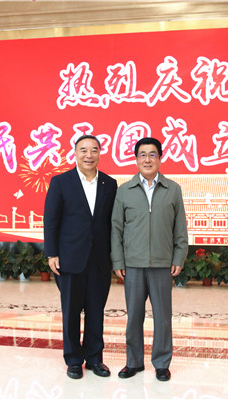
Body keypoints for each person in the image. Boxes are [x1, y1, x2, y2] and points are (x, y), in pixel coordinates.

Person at [110, 137, 188, 382]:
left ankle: (162, 364)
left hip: (162, 265)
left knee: (163, 318)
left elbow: (180, 228)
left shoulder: (173, 189)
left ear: (160, 158)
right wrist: (118, 261)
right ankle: (133, 362)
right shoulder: (124, 191)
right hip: (133, 265)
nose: (147, 159)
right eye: (142, 154)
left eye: (152, 154)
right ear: (136, 159)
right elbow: (116, 229)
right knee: (134, 316)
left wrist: (179, 256)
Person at [43, 135, 117, 379]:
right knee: (71, 311)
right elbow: (51, 220)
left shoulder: (109, 184)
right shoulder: (61, 182)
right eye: (83, 150)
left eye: (94, 150)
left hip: (99, 259)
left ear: (99, 154)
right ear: (75, 154)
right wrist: (52, 253)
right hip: (69, 257)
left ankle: (95, 358)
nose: (89, 155)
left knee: (96, 311)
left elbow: (112, 223)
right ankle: (73, 359)